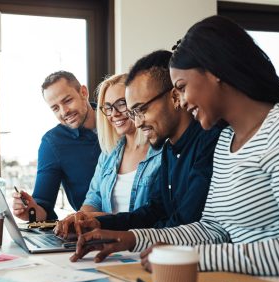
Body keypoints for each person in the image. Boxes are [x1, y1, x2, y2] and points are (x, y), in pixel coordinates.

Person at [71, 16, 279, 282]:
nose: (180, 100)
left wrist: (192, 256)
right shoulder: (225, 141)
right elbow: (213, 229)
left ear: (214, 74)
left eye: (181, 87)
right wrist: (133, 239)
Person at [56, 50, 221, 238]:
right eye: (133, 113)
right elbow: (154, 212)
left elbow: (186, 224)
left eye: (140, 109)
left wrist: (130, 239)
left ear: (175, 97)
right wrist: (97, 223)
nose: (138, 122)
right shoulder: (169, 149)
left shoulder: (209, 142)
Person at [12, 71, 101, 221]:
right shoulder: (52, 143)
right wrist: (29, 210)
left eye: (67, 101)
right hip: (90, 228)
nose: (64, 111)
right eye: (55, 108)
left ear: (83, 92)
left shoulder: (118, 120)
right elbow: (43, 206)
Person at [74, 73, 161, 217]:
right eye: (108, 108)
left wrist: (105, 220)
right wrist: (79, 219)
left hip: (144, 238)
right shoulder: (109, 154)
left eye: (121, 104)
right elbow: (93, 199)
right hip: (106, 237)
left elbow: (157, 215)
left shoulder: (162, 151)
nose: (114, 114)